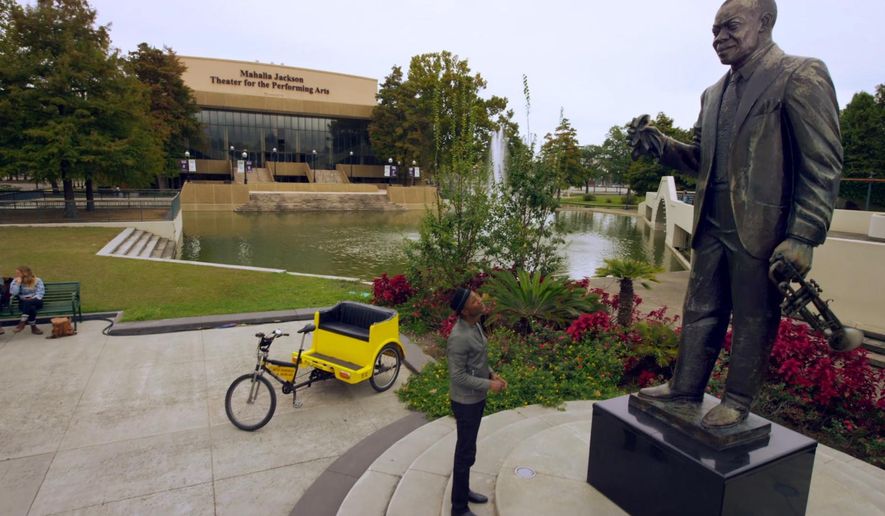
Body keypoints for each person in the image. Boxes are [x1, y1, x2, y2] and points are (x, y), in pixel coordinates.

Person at [628, 0, 841, 428]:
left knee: (753, 317)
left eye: (731, 27)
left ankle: (738, 401)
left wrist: (803, 234)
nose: (718, 37)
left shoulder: (800, 75)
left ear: (764, 24)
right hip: (711, 223)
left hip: (763, 229)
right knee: (699, 309)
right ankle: (685, 387)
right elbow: (706, 160)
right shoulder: (712, 94)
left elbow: (823, 162)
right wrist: (662, 146)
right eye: (714, 29)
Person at [447, 287, 507, 516]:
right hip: (465, 402)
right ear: (464, 311)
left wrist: (491, 374)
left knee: (468, 450)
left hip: (475, 399)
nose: (480, 301)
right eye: (474, 300)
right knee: (464, 453)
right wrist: (489, 385)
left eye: (477, 297)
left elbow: (478, 360)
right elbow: (458, 376)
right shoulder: (459, 337)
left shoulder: (475, 325)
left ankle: (464, 491)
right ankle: (458, 508)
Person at [9, 266, 45, 335]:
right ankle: (33, 328)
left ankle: (22, 323)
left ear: (25, 273)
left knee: (28, 302)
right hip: (23, 302)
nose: (16, 275)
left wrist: (33, 298)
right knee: (31, 307)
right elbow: (14, 293)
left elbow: (40, 293)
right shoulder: (15, 281)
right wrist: (18, 284)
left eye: (18, 273)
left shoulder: (37, 280)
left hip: (36, 300)